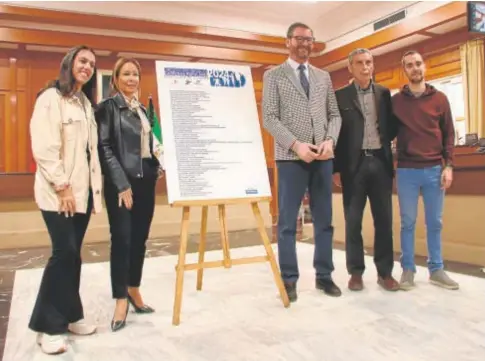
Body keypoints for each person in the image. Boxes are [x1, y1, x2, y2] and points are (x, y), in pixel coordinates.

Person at [28, 45, 103, 355]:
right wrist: (62, 187)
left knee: (73, 256)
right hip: (59, 195)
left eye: (92, 64)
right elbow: (45, 147)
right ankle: (48, 326)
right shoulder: (50, 98)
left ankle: (71, 315)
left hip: (81, 196)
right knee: (64, 253)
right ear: (69, 63)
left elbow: (89, 154)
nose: (86, 67)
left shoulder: (86, 104)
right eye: (82, 61)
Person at [262, 22, 342, 302]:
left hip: (322, 159)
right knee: (286, 223)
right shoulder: (274, 76)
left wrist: (330, 140)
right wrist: (296, 145)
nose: (305, 44)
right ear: (287, 42)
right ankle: (289, 279)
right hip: (290, 159)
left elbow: (335, 115)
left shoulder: (323, 76)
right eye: (299, 39)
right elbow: (269, 117)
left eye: (310, 40)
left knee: (324, 221)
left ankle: (324, 276)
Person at [95, 57, 161, 332]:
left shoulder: (143, 110)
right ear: (116, 79)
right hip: (122, 184)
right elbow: (104, 147)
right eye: (126, 74)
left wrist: (158, 165)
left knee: (140, 239)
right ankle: (120, 298)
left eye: (135, 74)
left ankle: (134, 289)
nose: (132, 78)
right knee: (122, 239)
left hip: (146, 182)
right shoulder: (108, 108)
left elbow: (149, 145)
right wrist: (121, 184)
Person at [333, 48, 399, 292]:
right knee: (353, 222)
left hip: (380, 164)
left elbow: (390, 126)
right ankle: (356, 273)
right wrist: (336, 169)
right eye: (359, 63)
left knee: (384, 222)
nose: (365, 67)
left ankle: (385, 273)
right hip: (353, 167)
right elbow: (336, 135)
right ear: (350, 67)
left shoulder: (383, 93)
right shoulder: (340, 96)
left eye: (369, 62)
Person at [392, 50, 458, 291]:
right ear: (405, 70)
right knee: (407, 222)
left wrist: (448, 165)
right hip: (407, 170)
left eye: (418, 63)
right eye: (409, 65)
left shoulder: (440, 99)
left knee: (435, 222)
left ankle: (436, 269)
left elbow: (449, 133)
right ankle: (408, 270)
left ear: (425, 66)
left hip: (434, 169)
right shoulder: (396, 101)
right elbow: (386, 130)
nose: (415, 68)